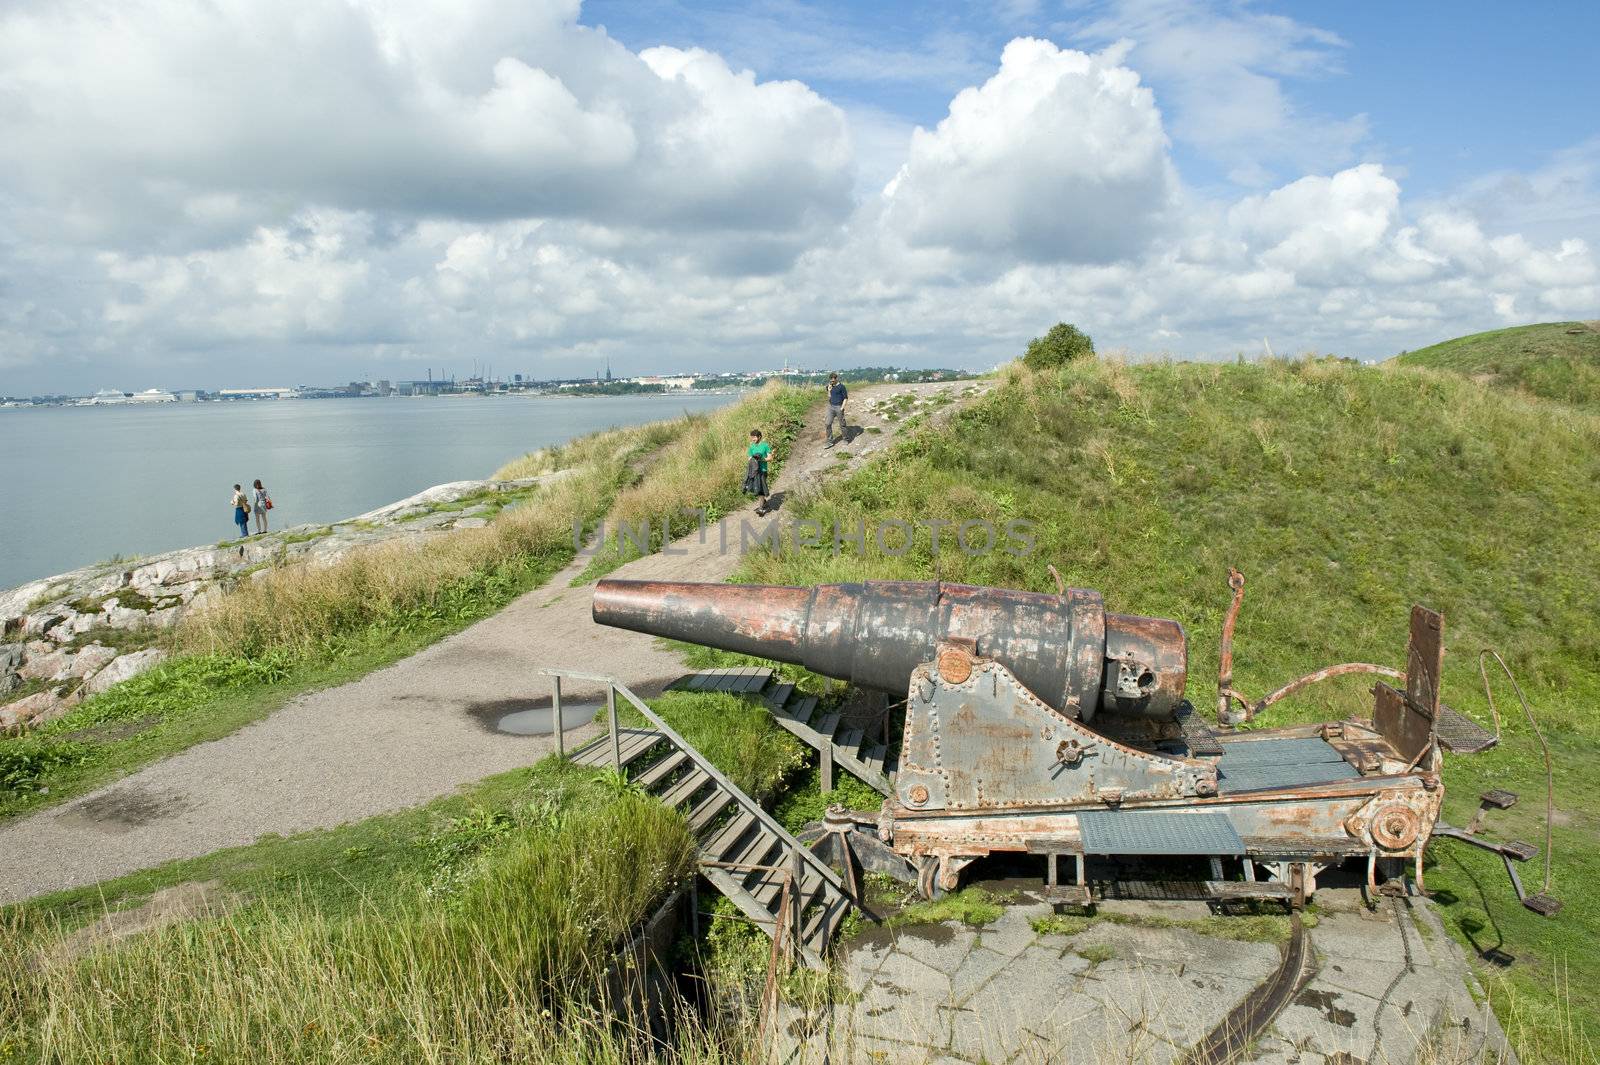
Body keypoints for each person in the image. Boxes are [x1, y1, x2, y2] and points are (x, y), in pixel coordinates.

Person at [745, 429, 772, 515]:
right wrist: (753, 458)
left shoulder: (765, 445)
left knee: (760, 489)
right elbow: (749, 458)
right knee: (756, 488)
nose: (753, 439)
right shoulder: (751, 446)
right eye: (752, 437)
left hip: (763, 470)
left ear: (759, 437)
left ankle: (761, 508)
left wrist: (762, 459)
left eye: (755, 437)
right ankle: (764, 502)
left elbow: (770, 458)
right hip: (754, 471)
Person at [825, 372, 848, 447]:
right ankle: (829, 441)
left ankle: (845, 439)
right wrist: (829, 390)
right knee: (827, 423)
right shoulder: (829, 386)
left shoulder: (842, 387)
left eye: (833, 381)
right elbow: (829, 397)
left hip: (839, 407)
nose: (831, 382)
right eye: (830, 381)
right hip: (831, 407)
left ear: (836, 379)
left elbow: (845, 398)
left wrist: (842, 408)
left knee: (842, 424)